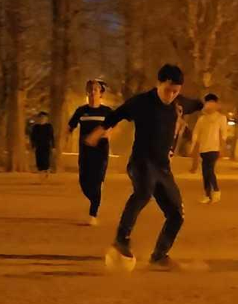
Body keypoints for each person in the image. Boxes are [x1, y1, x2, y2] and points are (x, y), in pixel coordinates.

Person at [85, 64, 202, 270]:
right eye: (168, 90)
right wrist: (99, 131)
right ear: (159, 84)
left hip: (163, 168)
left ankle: (159, 256)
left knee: (176, 214)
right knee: (144, 193)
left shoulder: (179, 103)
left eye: (176, 91)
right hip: (141, 162)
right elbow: (117, 114)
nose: (171, 95)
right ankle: (121, 239)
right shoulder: (142, 102)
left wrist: (207, 104)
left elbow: (197, 104)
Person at [67, 78, 114, 225]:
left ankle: (93, 214)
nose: (92, 92)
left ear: (101, 93)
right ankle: (95, 196)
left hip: (101, 152)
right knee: (84, 182)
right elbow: (70, 126)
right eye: (90, 90)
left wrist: (106, 134)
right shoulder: (81, 111)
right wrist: (66, 137)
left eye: (95, 90)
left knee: (97, 181)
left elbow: (113, 126)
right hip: (85, 151)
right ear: (87, 93)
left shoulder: (107, 111)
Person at [190, 93, 228, 204]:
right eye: (207, 102)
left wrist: (222, 148)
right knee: (205, 172)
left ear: (216, 104)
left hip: (214, 148)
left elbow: (223, 134)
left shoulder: (221, 118)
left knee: (209, 170)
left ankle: (216, 190)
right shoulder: (202, 119)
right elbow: (196, 133)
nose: (209, 105)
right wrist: (193, 147)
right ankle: (207, 195)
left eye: (212, 102)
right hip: (203, 149)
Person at [29, 111, 55, 181]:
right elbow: (32, 138)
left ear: (46, 119)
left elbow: (52, 137)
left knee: (46, 160)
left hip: (46, 146)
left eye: (44, 117)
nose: (42, 119)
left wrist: (53, 146)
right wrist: (33, 146)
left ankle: (46, 172)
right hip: (38, 146)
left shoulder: (49, 126)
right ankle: (40, 176)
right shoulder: (35, 127)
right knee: (39, 160)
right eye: (41, 117)